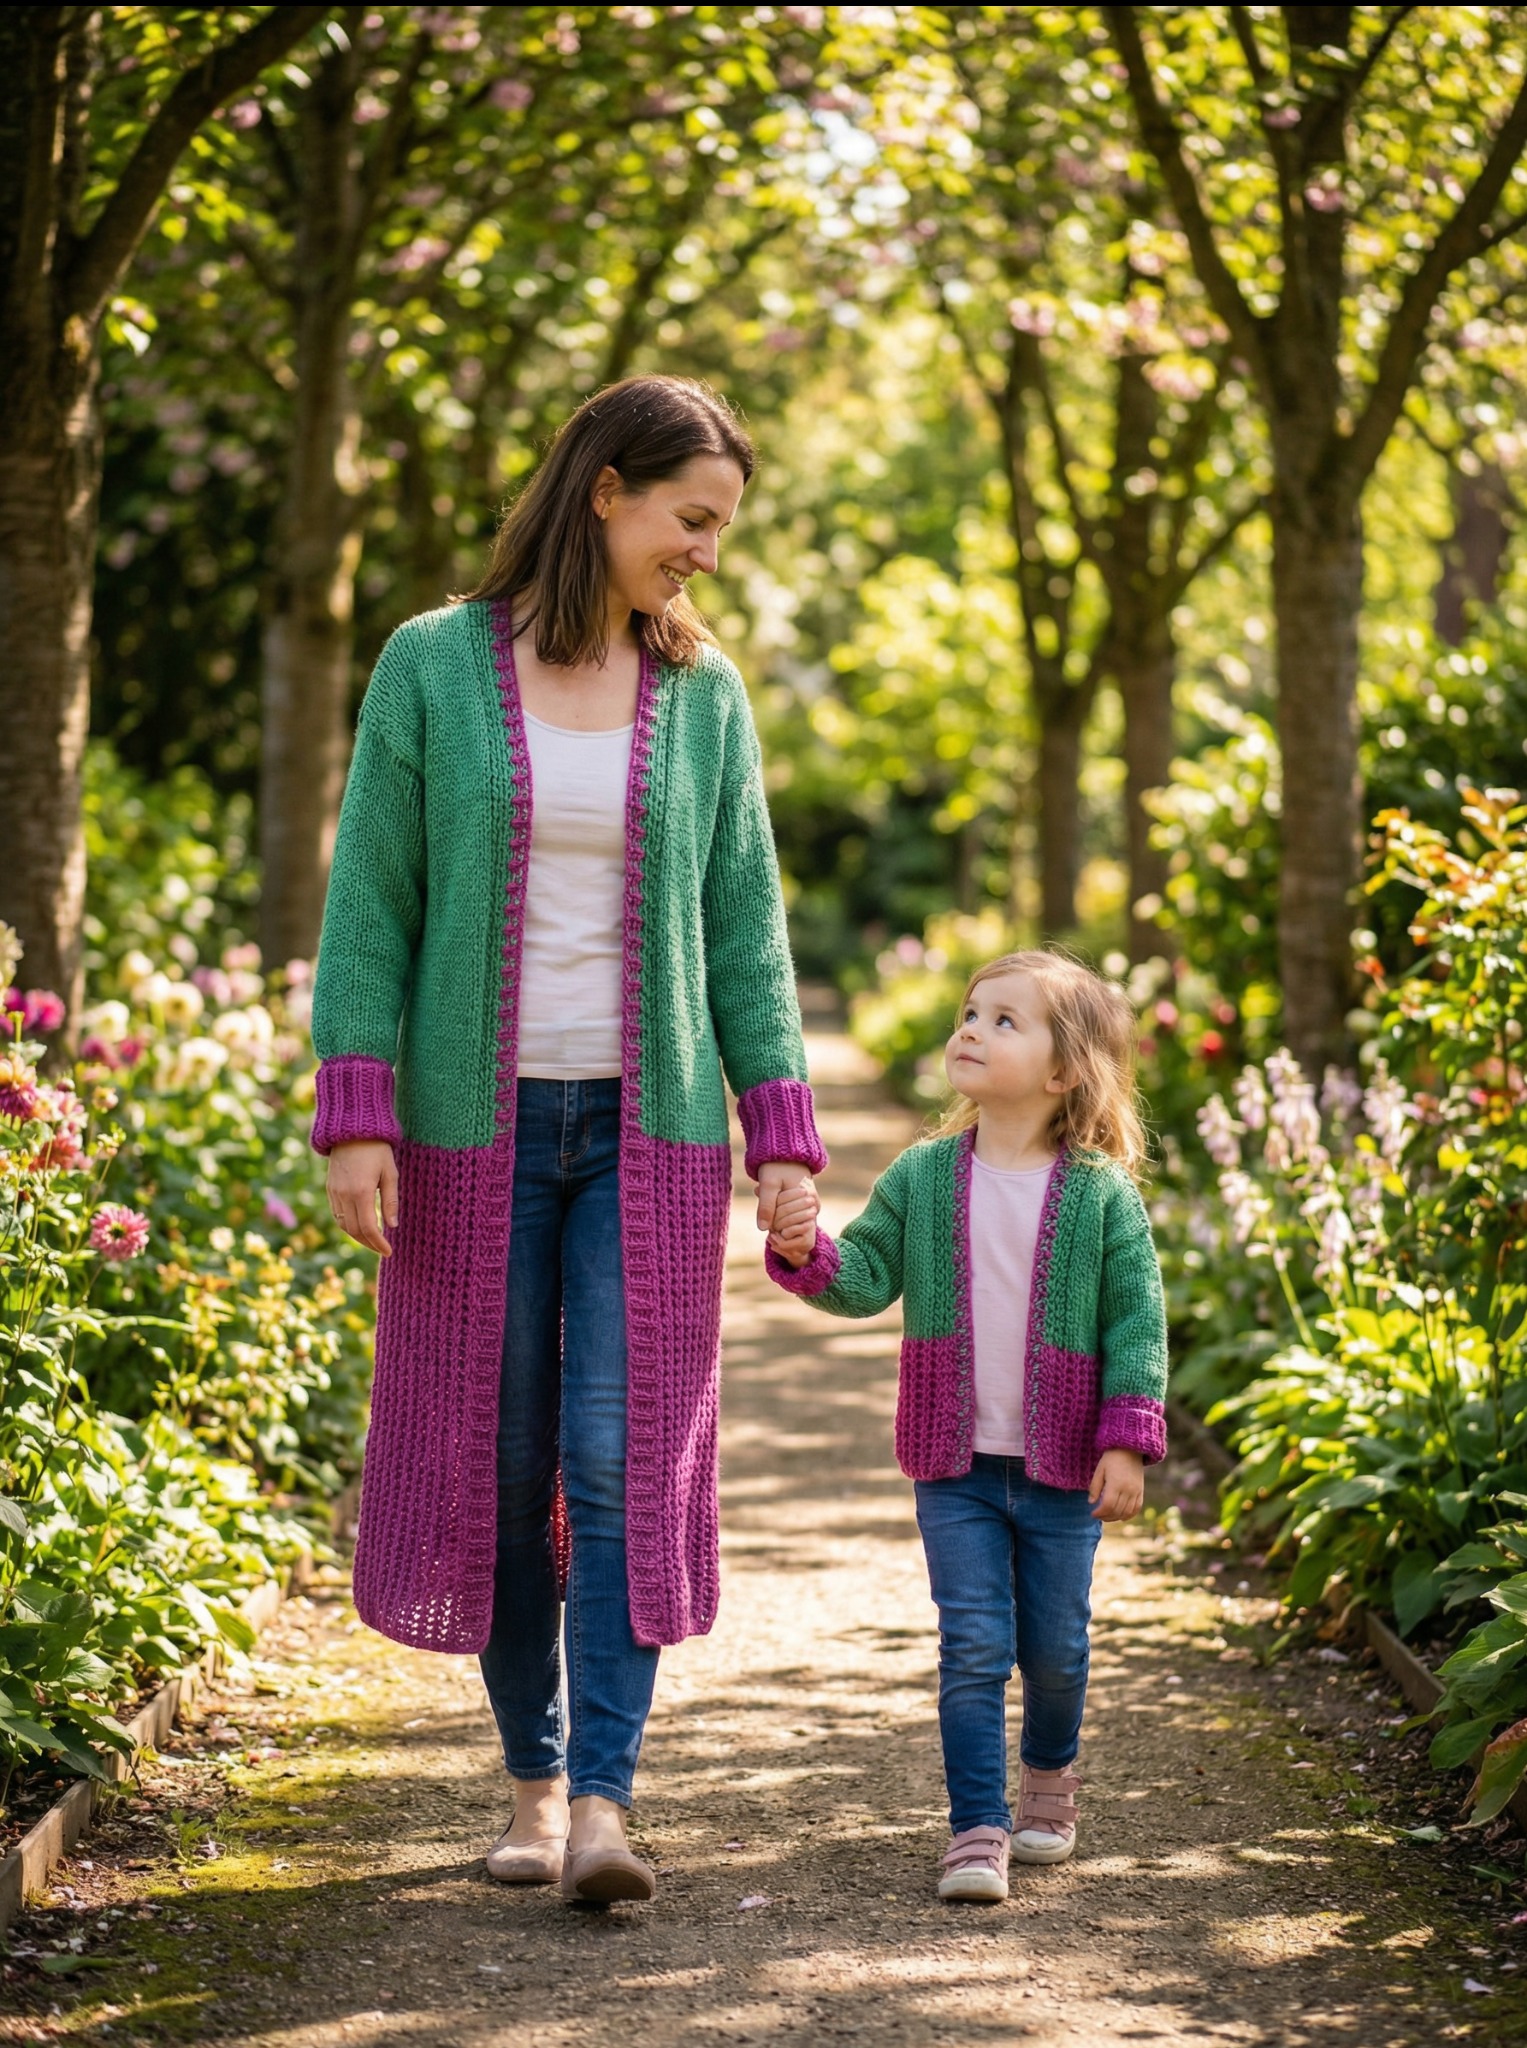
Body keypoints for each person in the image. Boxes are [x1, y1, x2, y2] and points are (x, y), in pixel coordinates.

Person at [310, 375, 827, 1906]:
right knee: (503, 1453)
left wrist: (778, 1130)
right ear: (603, 488)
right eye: (691, 519)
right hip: (475, 1136)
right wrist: (358, 1114)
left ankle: (605, 1799)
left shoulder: (706, 696)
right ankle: (527, 1788)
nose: (706, 555)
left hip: (645, 1135)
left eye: (722, 529)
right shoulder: (428, 668)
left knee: (614, 1458)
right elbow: (369, 908)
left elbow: (745, 929)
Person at [765, 949, 1166, 1904]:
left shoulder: (1101, 1196)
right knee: (974, 1644)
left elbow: (1135, 1321)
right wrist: (802, 1249)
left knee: (1056, 1649)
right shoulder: (923, 1176)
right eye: (969, 1012)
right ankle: (975, 1828)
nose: (971, 1030)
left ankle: (1048, 1776)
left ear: (1064, 1071)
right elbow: (862, 1276)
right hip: (955, 1467)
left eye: (1003, 1021)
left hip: (1064, 1469)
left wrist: (1126, 1437)